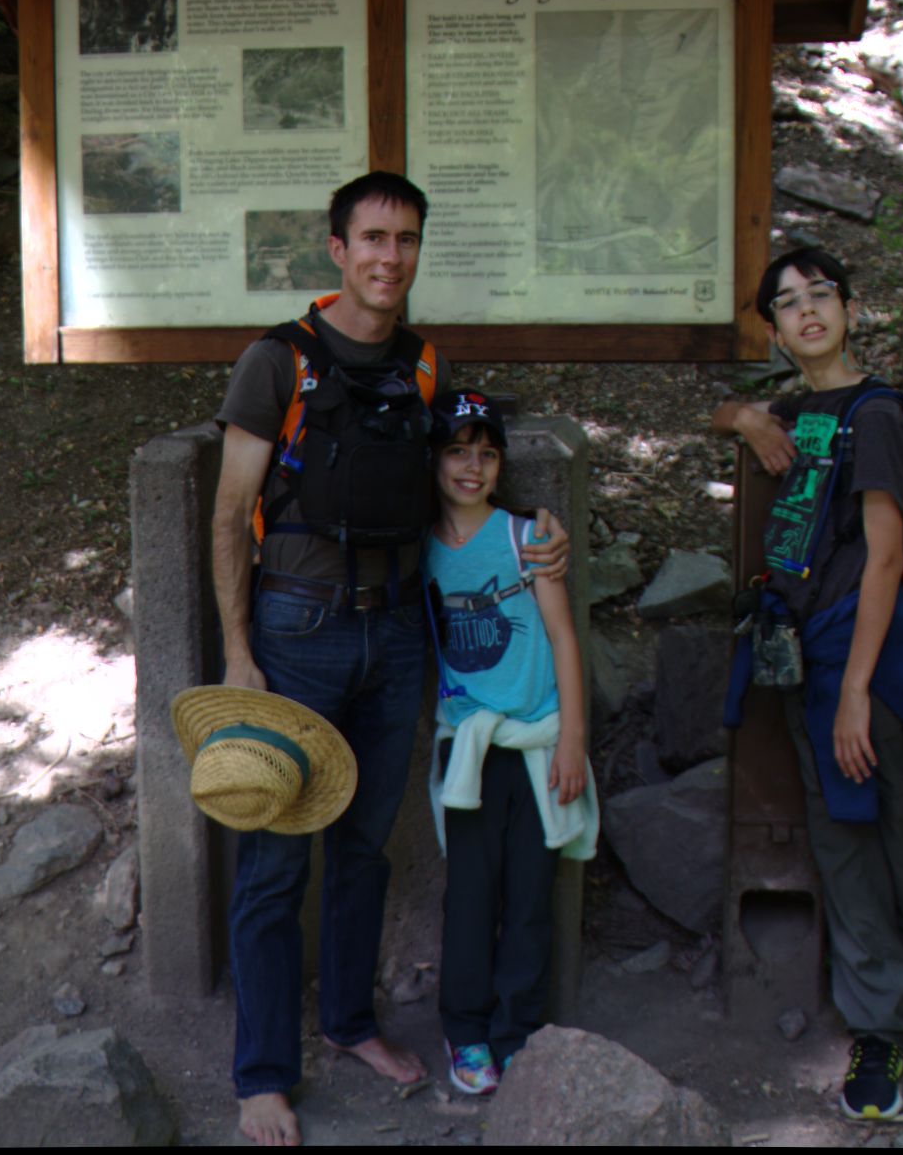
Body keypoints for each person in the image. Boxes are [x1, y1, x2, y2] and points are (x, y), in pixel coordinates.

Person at [210, 172, 567, 1146]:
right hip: (296, 633)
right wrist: (238, 649)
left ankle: (351, 1025)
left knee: (364, 847)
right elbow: (226, 515)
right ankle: (262, 1076)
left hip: (394, 632)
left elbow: (458, 489)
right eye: (371, 237)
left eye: (405, 240)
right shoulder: (275, 363)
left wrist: (541, 536)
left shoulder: (420, 367)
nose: (388, 257)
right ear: (336, 249)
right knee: (276, 857)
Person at [710, 246, 903, 1122]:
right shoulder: (797, 410)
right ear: (774, 328)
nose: (806, 313)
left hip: (874, 658)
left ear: (850, 308)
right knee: (841, 839)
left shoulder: (878, 418)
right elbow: (718, 412)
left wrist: (859, 691)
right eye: (786, 304)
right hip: (808, 657)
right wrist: (747, 415)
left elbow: (886, 556)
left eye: (820, 294)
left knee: (902, 825)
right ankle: (875, 1025)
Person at [421, 390, 597, 1097]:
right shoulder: (416, 547)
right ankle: (465, 1031)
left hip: (536, 740)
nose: (472, 466)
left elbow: (560, 636)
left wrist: (573, 740)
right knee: (469, 895)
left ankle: (517, 1031)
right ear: (433, 457)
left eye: (486, 453)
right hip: (466, 746)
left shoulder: (527, 536)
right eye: (457, 450)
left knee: (529, 895)